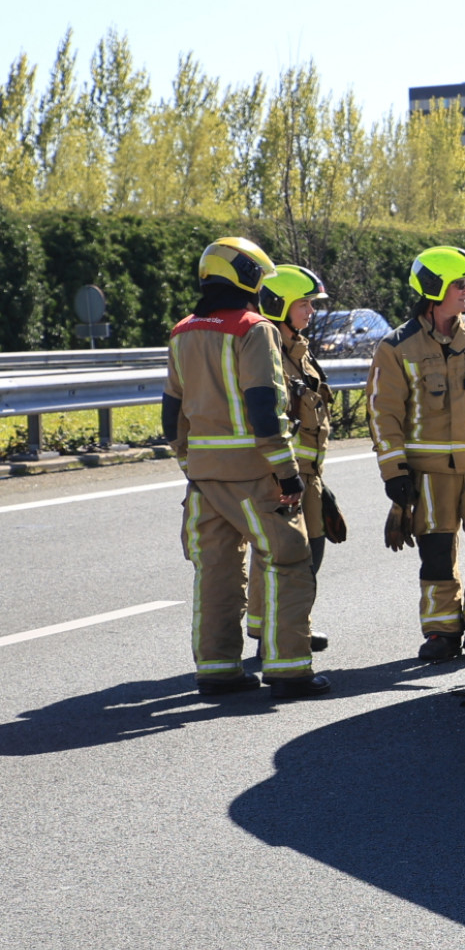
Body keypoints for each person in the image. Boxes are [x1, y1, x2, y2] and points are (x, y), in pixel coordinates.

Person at [161, 237, 328, 699]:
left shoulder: (183, 330)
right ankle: (290, 669)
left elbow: (170, 410)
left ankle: (217, 669)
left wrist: (189, 462)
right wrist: (287, 472)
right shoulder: (255, 328)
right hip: (253, 475)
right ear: (248, 276)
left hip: (204, 476)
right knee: (289, 560)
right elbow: (265, 407)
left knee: (214, 570)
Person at [368, 246, 465, 661]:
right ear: (434, 289)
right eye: (459, 285)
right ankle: (441, 631)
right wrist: (393, 473)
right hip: (429, 474)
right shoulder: (396, 347)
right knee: (436, 555)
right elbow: (383, 413)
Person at [246, 264, 340, 654]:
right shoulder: (267, 354)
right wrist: (286, 473)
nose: (311, 311)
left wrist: (318, 479)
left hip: (308, 474)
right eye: (304, 303)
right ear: (278, 304)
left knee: (310, 552)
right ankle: (270, 632)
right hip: (282, 475)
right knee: (286, 557)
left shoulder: (299, 351)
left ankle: (292, 625)